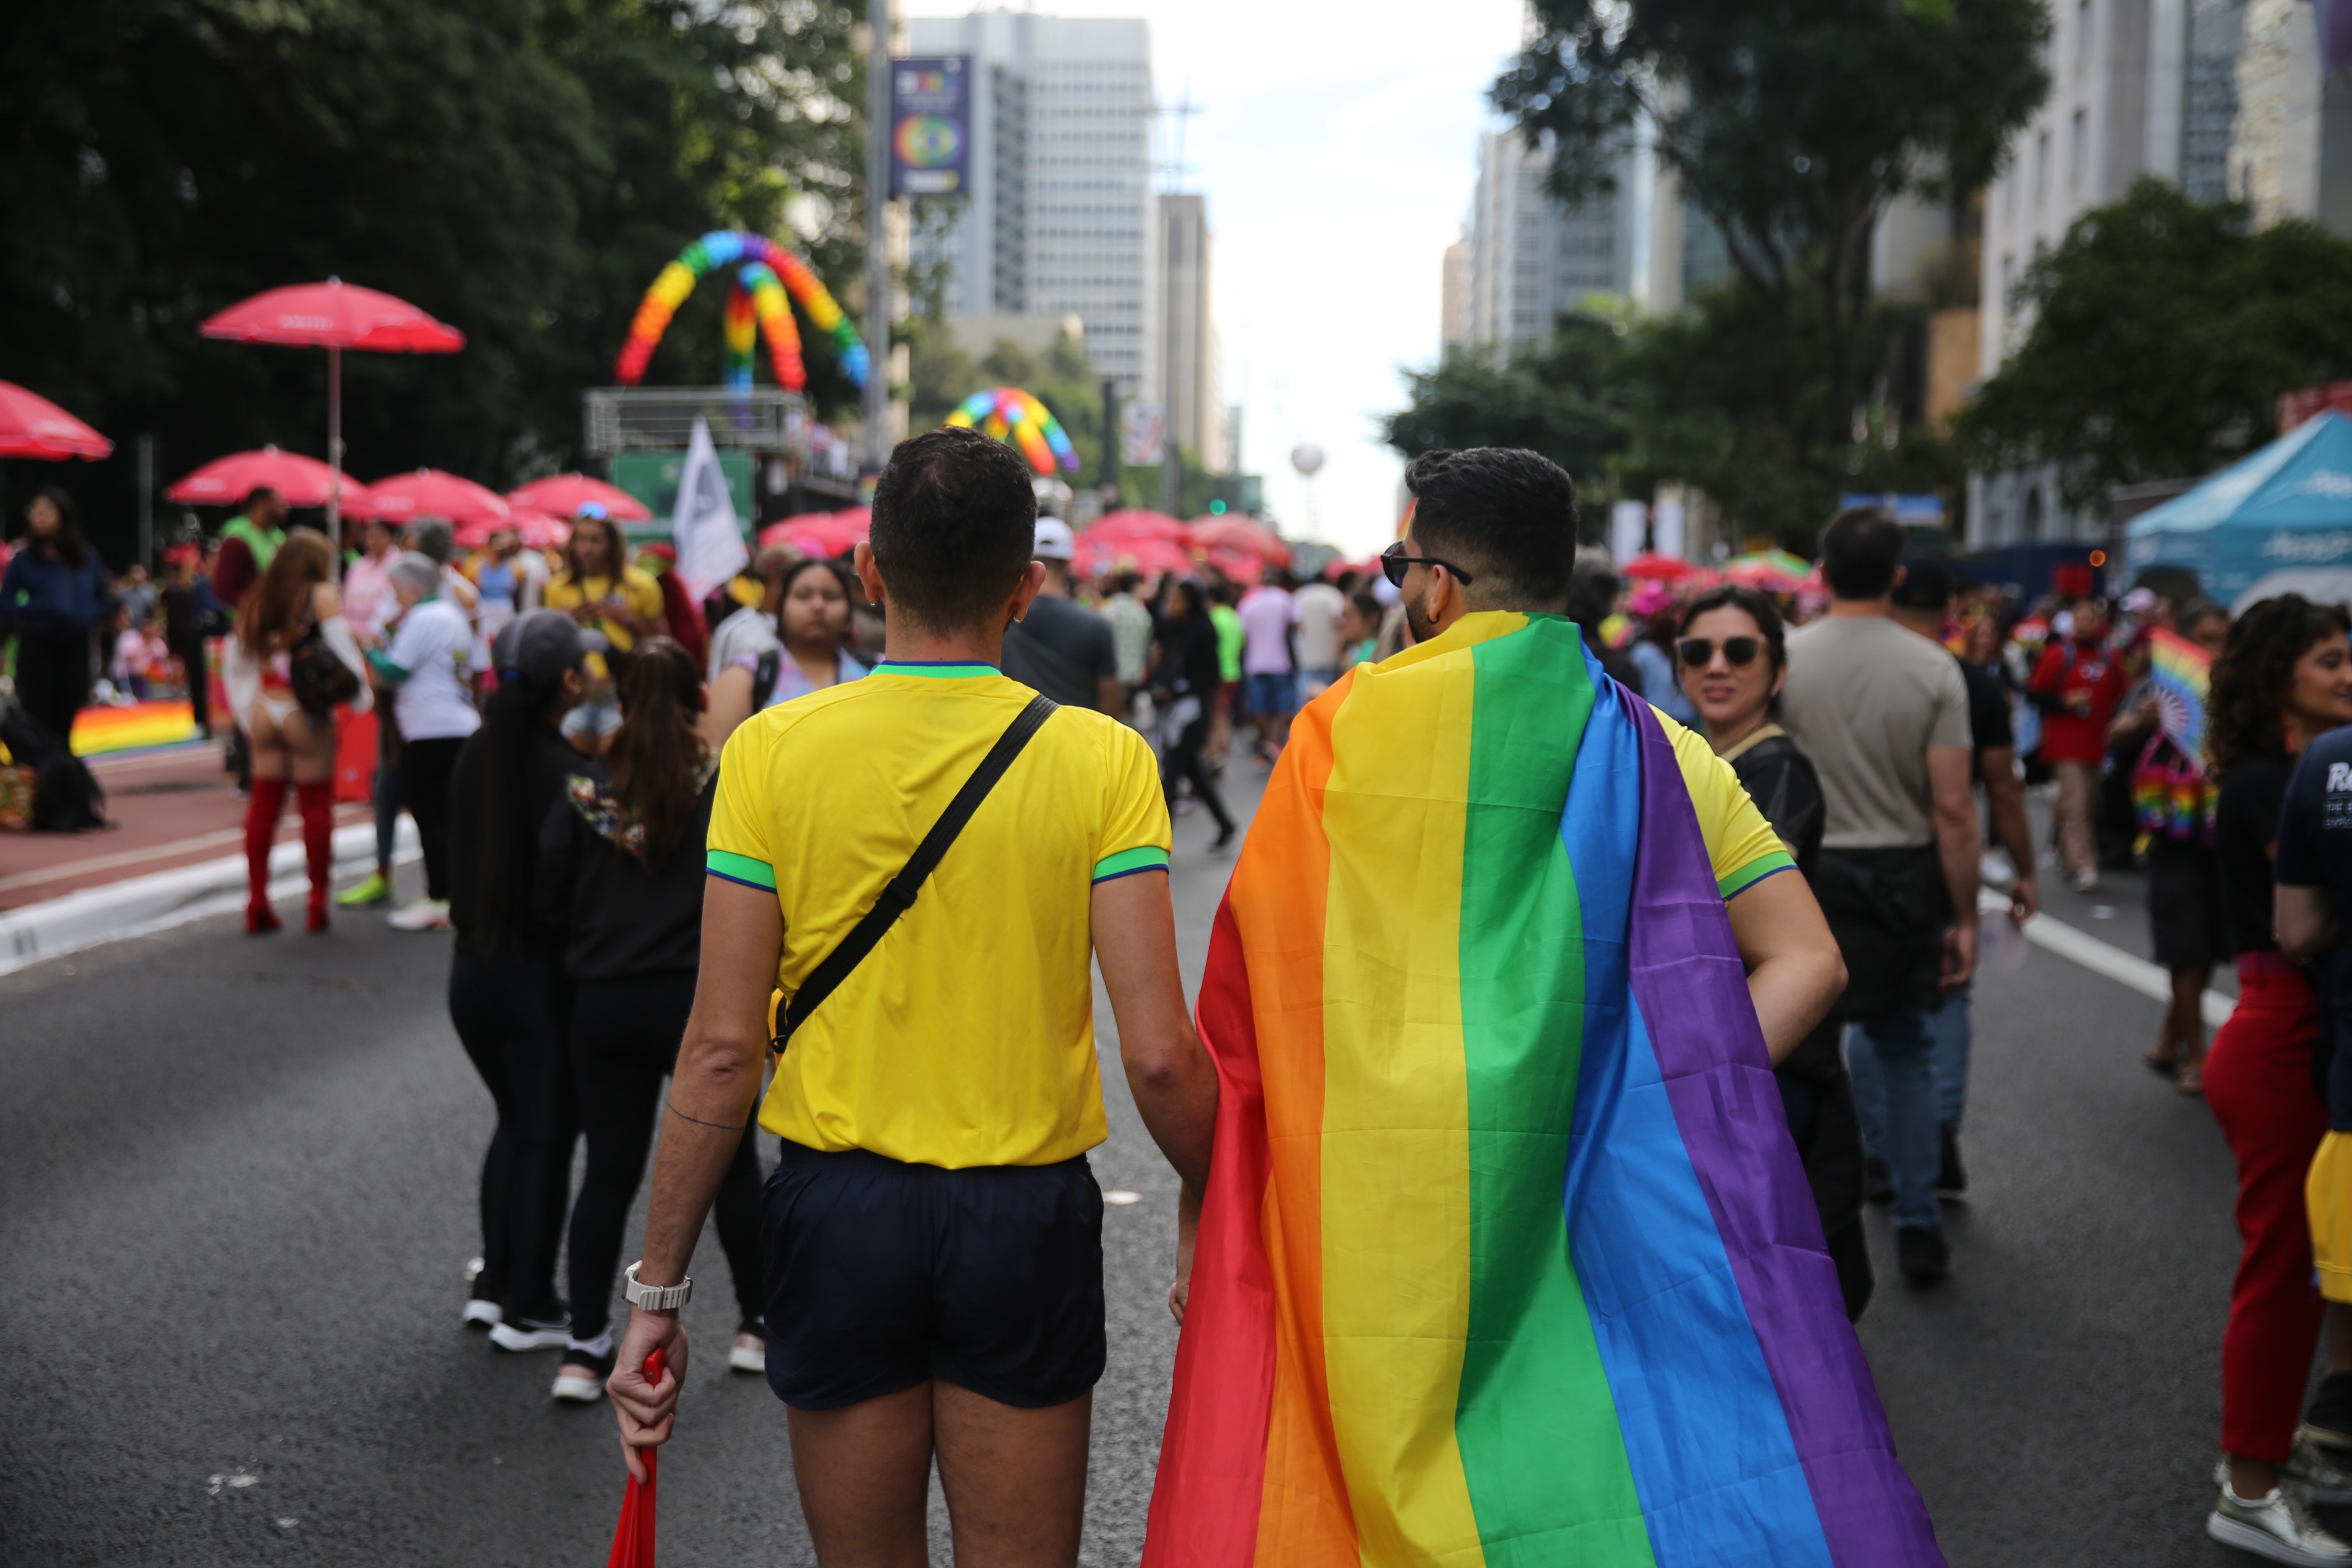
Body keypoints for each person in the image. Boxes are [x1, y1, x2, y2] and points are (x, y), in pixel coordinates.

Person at [1145, 450, 1934, 1566]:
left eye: (1397, 565)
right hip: (1578, 1168)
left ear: (1436, 585)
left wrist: (1205, 1220)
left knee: (1356, 1485)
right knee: (1582, 1465)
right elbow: (1810, 958)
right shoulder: (1663, 752)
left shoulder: (1335, 735)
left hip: (1368, 1204)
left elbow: (1256, 1006)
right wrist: (1652, 1097)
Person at [606, 426, 1219, 1567]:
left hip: (839, 1213)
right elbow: (1165, 1059)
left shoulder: (770, 754)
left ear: (870, 573)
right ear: (1027, 587)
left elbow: (723, 1052)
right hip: (1023, 1217)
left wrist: (659, 1294)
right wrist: (1218, 1202)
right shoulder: (1105, 761)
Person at [538, 638, 769, 1403]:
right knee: (732, 1168)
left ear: (623, 700)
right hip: (694, 1000)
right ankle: (756, 1324)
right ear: (701, 700)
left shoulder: (585, 793)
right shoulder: (723, 786)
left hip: (602, 1002)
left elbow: (555, 899)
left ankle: (581, 1343)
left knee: (608, 1170)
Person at [1778, 506, 1978, 1286]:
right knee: (1905, 1050)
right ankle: (1920, 1223)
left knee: (1804, 1059)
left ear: (1822, 573)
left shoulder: (1788, 659)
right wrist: (1964, 914)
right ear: (1898, 575)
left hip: (1804, 876)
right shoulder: (1933, 668)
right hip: (1901, 878)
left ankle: (1800, 1234)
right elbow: (1955, 809)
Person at [2200, 594, 2352, 1561]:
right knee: (2286, 1268)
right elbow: (2314, 912)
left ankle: (2302, 1457)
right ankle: (2251, 1487)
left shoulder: (2301, 769)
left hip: (2296, 1028)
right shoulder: (2274, 779)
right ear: (2276, 676)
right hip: (2285, 1031)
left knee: (2316, 1263)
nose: (2347, 674)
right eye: (2329, 661)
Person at [1678, 581, 1872, 1319]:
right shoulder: (1697, 757)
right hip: (1729, 1039)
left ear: (1778, 671)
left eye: (1740, 650)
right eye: (1698, 650)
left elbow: (1730, 909)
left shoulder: (1775, 769)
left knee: (1778, 1279)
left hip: (1773, 1052)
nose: (1717, 666)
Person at [445, 609, 598, 1349]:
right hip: (537, 980)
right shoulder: (570, 771)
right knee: (546, 1129)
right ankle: (532, 1300)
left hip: (470, 974)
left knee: (513, 1120)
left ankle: (495, 1281)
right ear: (570, 680)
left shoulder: (477, 751)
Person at [1878, 556, 2039, 1199]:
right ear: (1949, 608)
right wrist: (2023, 870)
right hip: (1946, 859)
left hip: (1870, 857)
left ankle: (1880, 1146)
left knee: (1874, 1009)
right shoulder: (1970, 681)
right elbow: (2001, 789)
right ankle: (1938, 1128)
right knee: (1948, 991)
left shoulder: (1873, 674)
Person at [222, 529, 370, 934]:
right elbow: (344, 652)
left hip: (264, 709)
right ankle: (317, 900)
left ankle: (257, 902)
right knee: (316, 807)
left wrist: (244, 712)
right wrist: (362, 699)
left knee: (263, 808)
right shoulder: (321, 594)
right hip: (304, 713)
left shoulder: (257, 596)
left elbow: (234, 658)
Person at [2118, 601, 2233, 1092]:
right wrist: (2143, 721)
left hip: (2223, 836)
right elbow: (2113, 734)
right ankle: (2197, 1055)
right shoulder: (2159, 691)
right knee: (2186, 947)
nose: (2219, 650)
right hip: (2172, 835)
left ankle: (2169, 1040)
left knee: (2206, 946)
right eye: (2208, 638)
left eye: (2226, 639)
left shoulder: (2239, 696)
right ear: (2186, 644)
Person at [366, 554, 481, 931]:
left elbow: (395, 670)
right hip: (458, 724)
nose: (395, 599)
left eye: (397, 591)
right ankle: (457, 895)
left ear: (414, 588)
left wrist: (368, 648)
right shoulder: (451, 616)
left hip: (429, 729)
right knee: (452, 816)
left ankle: (439, 897)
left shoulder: (423, 619)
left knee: (430, 816)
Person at [701, 558, 868, 746]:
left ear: (849, 608)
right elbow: (713, 759)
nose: (818, 606)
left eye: (831, 596)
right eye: (803, 596)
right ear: (782, 607)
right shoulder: (745, 676)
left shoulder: (876, 671)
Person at [545, 508, 665, 755]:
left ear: (612, 543)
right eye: (580, 539)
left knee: (617, 771)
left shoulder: (641, 584)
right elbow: (546, 645)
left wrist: (630, 621)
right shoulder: (557, 587)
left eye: (595, 540)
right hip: (575, 696)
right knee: (575, 775)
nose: (586, 548)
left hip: (622, 695)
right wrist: (565, 622)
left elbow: (664, 644)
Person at [1, 489, 115, 745]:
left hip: (75, 644)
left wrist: (84, 614)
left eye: (47, 511)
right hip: (37, 644)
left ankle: (64, 776)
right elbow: (6, 602)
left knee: (68, 711)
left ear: (63, 515)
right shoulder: (24, 559)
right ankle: (43, 775)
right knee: (38, 716)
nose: (40, 517)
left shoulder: (86, 557)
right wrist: (38, 608)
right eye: (35, 511)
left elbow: (104, 600)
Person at [2029, 600, 2128, 892]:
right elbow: (2035, 693)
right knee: (2078, 803)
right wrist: (2063, 702)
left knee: (2090, 804)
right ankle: (2085, 864)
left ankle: (2062, 846)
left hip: (2098, 745)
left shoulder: (2111, 658)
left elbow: (2122, 697)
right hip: (2064, 745)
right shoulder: (2058, 654)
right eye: (2080, 618)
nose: (2086, 623)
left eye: (2091, 618)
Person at [1149, 578, 1237, 850]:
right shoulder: (1175, 628)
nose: (1171, 604)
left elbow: (1209, 676)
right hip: (1172, 710)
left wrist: (1176, 691)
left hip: (1192, 713)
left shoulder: (1203, 631)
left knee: (1172, 773)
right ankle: (1225, 824)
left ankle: (1159, 844)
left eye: (1177, 599)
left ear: (1190, 602)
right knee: (1194, 773)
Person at [1001, 518, 1121, 714]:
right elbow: (1110, 706)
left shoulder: (1003, 618)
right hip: (1078, 738)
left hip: (1012, 736)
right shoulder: (1097, 626)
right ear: (1068, 562)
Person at [159, 544, 225, 739]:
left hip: (222, 637)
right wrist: (190, 562)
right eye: (213, 557)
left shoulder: (227, 583)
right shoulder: (200, 583)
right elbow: (186, 582)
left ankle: (225, 722)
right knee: (199, 681)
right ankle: (201, 723)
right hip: (200, 638)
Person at [704, 545, 794, 684]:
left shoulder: (802, 628)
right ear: (772, 579)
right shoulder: (735, 630)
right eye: (789, 580)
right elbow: (718, 683)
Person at [1235, 571, 1297, 760]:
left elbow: (1242, 635)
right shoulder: (1285, 599)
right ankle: (1276, 744)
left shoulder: (1249, 602)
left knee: (1259, 708)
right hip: (1281, 663)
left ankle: (1265, 745)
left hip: (1256, 664)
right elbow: (1297, 625)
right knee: (1282, 708)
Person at [209, 487, 287, 611]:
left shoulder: (279, 536)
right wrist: (252, 607)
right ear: (261, 504)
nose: (285, 509)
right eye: (278, 504)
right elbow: (224, 586)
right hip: (245, 618)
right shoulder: (236, 534)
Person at [1101, 570, 1156, 713]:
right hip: (1134, 675)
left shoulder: (1107, 609)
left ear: (1117, 586)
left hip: (1110, 676)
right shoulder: (1142, 613)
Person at [1291, 570, 1346, 698]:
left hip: (1305, 660)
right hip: (1330, 658)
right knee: (1329, 700)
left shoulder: (1299, 595)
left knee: (1307, 702)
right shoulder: (1333, 595)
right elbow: (1341, 623)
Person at [1335, 588, 1382, 667]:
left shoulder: (1373, 651)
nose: (1342, 624)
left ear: (1372, 618)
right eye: (1342, 617)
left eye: (1348, 616)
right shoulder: (1357, 652)